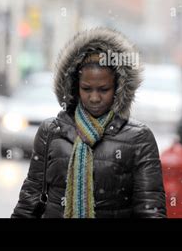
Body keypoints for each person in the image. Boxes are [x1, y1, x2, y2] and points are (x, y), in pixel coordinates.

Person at [12, 27, 166, 218]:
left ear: (118, 88)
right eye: (87, 88)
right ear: (75, 87)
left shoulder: (138, 138)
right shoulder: (51, 131)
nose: (94, 98)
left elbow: (149, 208)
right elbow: (30, 200)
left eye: (103, 89)